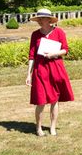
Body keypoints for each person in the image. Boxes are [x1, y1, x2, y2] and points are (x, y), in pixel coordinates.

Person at [25, 8, 74, 136]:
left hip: (56, 68)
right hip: (40, 70)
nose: (40, 21)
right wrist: (28, 75)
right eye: (39, 19)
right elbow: (31, 56)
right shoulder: (35, 35)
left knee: (54, 100)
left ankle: (53, 127)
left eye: (42, 19)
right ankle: (39, 128)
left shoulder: (59, 32)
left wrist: (54, 54)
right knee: (40, 100)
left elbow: (65, 50)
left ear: (49, 20)